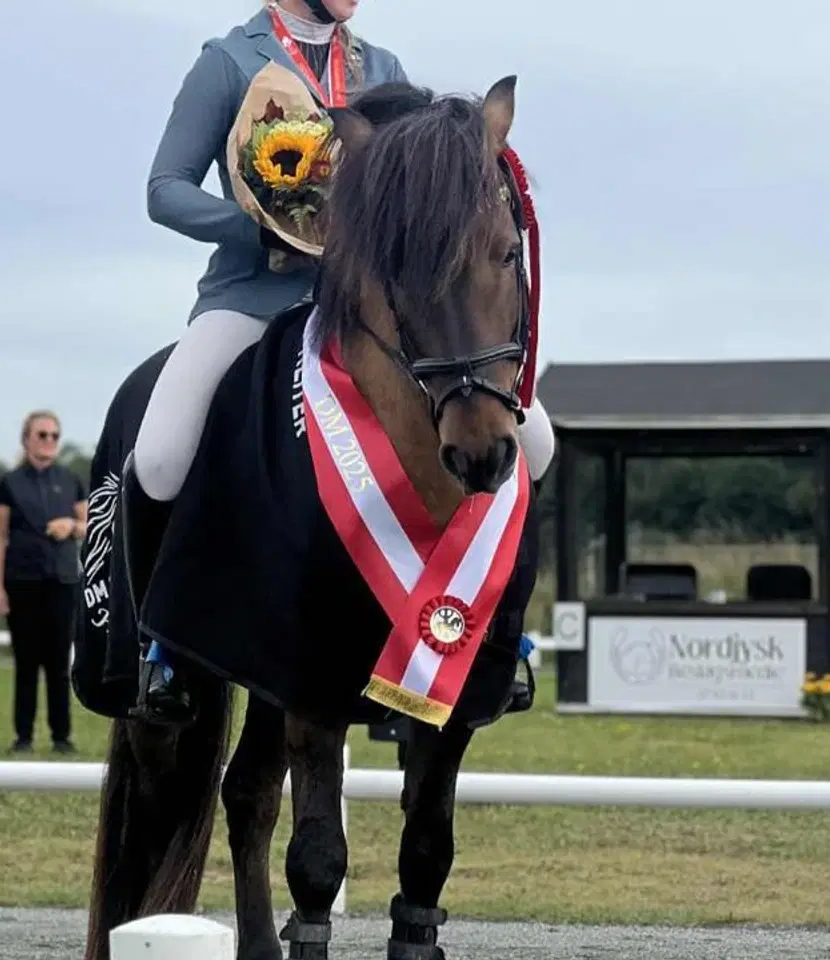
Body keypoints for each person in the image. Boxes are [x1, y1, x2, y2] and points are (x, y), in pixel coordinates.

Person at [125, 0, 556, 724]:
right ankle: (159, 649)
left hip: (371, 313)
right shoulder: (227, 62)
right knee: (162, 453)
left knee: (536, 445)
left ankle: (501, 645)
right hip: (255, 296)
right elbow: (164, 191)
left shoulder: (379, 68)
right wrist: (264, 224)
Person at [0, 410, 87, 754]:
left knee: (59, 663)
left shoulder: (71, 481)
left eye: (54, 435)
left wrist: (71, 527)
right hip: (23, 581)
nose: (48, 441)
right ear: (26, 439)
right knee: (26, 662)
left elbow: (89, 525)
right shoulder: (8, 484)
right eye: (42, 434)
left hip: (61, 581)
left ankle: (62, 737)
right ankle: (24, 737)